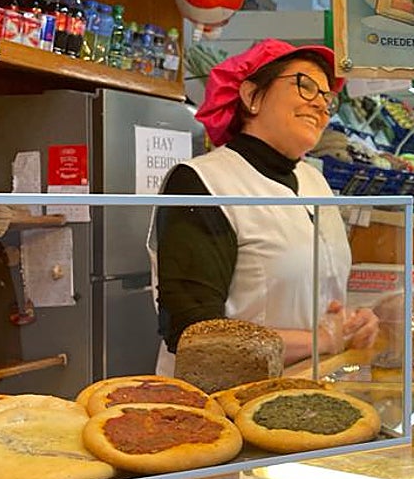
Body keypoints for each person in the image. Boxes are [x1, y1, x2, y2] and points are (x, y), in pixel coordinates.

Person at [151, 39, 379, 374]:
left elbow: (314, 296)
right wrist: (323, 340)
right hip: (225, 404)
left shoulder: (314, 181)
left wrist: (352, 323)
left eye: (327, 97)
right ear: (251, 96)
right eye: (306, 86)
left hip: (306, 393)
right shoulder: (203, 182)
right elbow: (192, 334)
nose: (320, 104)